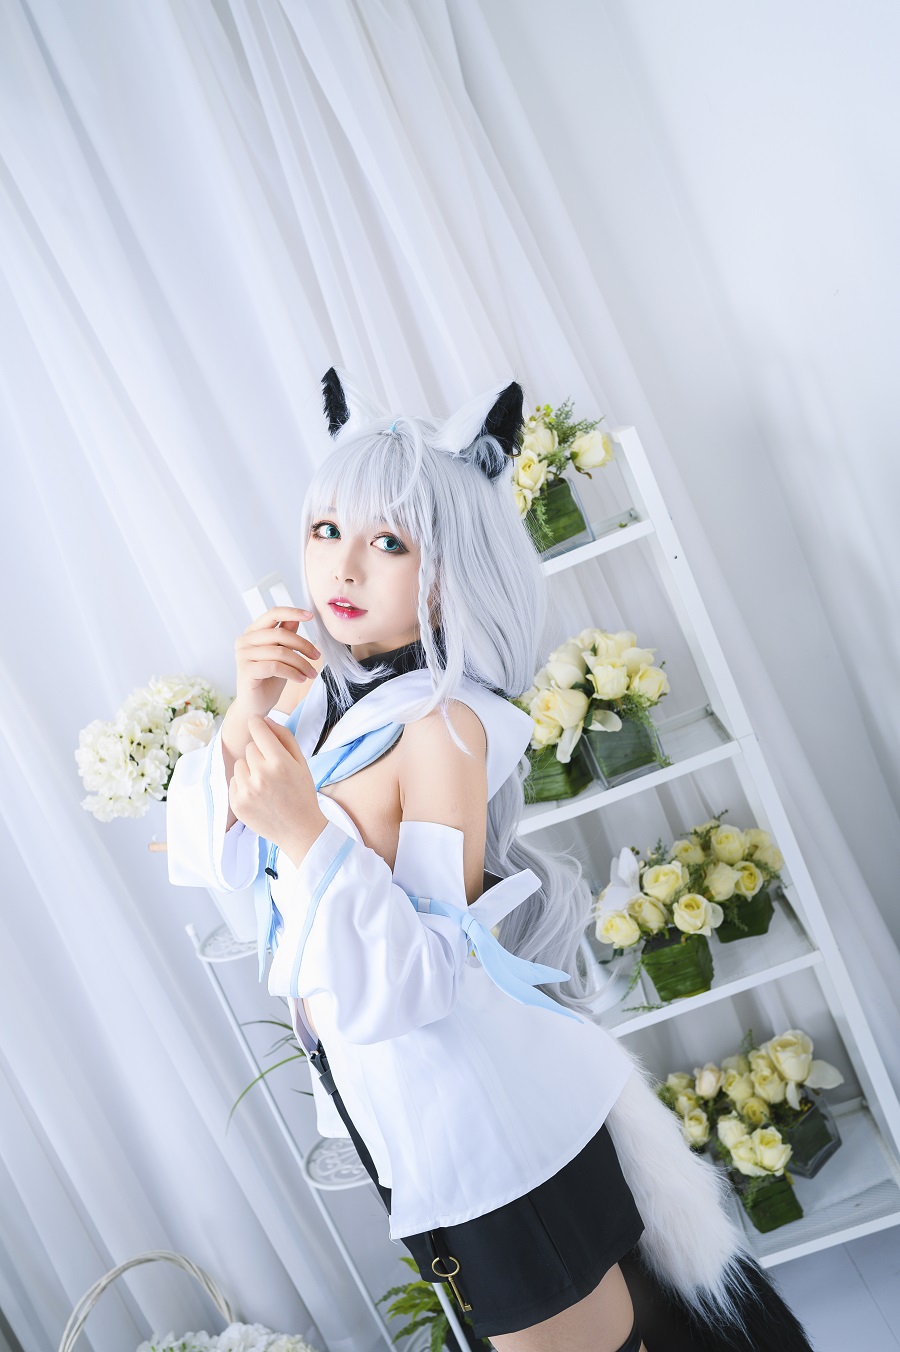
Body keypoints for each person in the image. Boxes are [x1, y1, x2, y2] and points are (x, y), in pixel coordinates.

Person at [166, 368, 816, 1351]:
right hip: (411, 1125)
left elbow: (426, 973)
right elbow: (216, 858)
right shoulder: (311, 701)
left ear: (450, 568)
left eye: (389, 542)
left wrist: (305, 833)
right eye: (327, 530)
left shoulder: (444, 728)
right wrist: (246, 711)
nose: (344, 568)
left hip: (492, 1136)